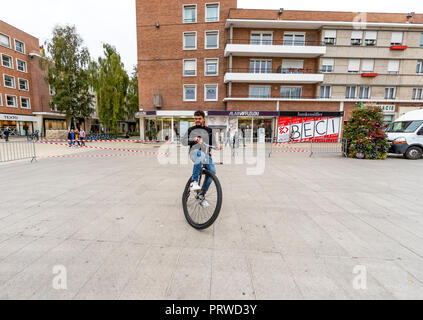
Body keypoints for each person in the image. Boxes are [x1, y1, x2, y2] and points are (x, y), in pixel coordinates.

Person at [182, 110, 222, 208]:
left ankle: (201, 195)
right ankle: (194, 182)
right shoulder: (191, 130)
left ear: (203, 119)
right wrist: (193, 139)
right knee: (200, 154)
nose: (197, 120)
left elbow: (213, 144)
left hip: (206, 155)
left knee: (212, 171)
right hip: (194, 152)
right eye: (196, 118)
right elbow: (183, 141)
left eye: (199, 118)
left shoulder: (209, 130)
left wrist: (218, 146)